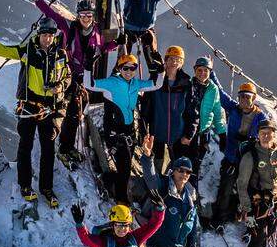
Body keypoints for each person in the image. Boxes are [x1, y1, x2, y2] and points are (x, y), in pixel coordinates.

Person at [0, 15, 70, 207]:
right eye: (44, 35)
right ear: (38, 34)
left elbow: (68, 77)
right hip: (29, 106)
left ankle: (46, 189)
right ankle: (25, 185)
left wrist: (60, 87)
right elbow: (1, 50)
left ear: (54, 36)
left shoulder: (61, 54)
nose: (47, 39)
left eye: (50, 35)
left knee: (48, 150)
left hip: (49, 108)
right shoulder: (27, 50)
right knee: (25, 147)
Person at [24, 0, 118, 166]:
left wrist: (116, 44)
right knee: (70, 112)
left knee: (75, 114)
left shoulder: (97, 34)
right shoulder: (70, 27)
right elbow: (52, 13)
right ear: (77, 16)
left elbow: (102, 49)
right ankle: (63, 149)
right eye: (82, 15)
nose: (85, 18)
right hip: (67, 76)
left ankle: (66, 146)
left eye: (89, 15)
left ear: (93, 17)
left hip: (84, 78)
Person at [84, 54, 161, 202]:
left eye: (133, 68)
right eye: (125, 68)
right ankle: (122, 199)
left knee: (124, 168)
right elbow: (89, 84)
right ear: (119, 68)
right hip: (115, 134)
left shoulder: (136, 84)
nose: (129, 71)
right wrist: (88, 67)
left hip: (129, 133)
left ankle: (114, 187)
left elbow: (156, 84)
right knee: (125, 168)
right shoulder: (111, 83)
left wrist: (161, 69)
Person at [212, 82, 268, 226]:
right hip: (232, 157)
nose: (244, 99)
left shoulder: (260, 116)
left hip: (249, 159)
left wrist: (252, 140)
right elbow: (221, 93)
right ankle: (219, 219)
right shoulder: (234, 109)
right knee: (226, 187)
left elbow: (267, 133)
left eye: (247, 96)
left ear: (254, 98)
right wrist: (210, 72)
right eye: (241, 96)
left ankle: (248, 219)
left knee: (251, 189)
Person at [141, 45, 198, 174]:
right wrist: (144, 132)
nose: (174, 62)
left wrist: (189, 134)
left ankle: (172, 193)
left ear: (182, 63)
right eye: (171, 59)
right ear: (165, 61)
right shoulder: (156, 80)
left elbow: (193, 111)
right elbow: (145, 109)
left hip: (178, 136)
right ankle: (155, 192)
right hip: (157, 135)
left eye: (178, 59)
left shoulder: (186, 83)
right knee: (155, 168)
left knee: (177, 170)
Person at [185, 56, 227, 187]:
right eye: (199, 70)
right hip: (189, 130)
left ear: (210, 72)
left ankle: (192, 187)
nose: (202, 73)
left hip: (204, 132)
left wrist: (222, 133)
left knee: (198, 162)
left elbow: (217, 111)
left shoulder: (213, 89)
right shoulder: (188, 85)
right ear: (195, 70)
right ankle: (184, 186)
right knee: (186, 159)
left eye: (206, 70)